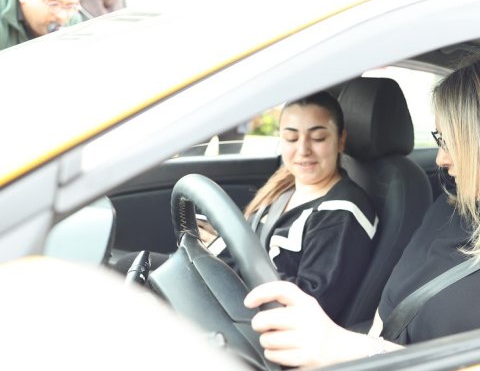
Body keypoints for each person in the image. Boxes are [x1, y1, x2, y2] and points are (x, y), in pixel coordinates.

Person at [243, 55, 480, 368]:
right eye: (438, 140)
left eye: (450, 141)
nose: (440, 159)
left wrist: (349, 349)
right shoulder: (450, 208)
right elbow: (386, 317)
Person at [116, 91, 377, 325]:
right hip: (235, 291)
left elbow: (308, 306)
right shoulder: (286, 186)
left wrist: (223, 253)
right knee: (132, 266)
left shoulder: (341, 214)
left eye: (318, 137)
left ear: (340, 140)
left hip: (256, 320)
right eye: (291, 137)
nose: (303, 150)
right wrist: (218, 247)